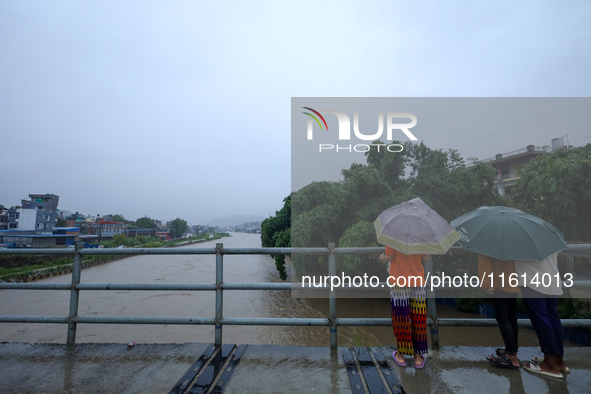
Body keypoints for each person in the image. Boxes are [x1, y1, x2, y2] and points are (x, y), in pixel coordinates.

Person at [515, 253, 568, 379]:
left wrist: (457, 236)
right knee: (553, 319)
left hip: (533, 282)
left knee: (541, 320)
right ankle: (559, 361)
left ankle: (550, 365)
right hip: (552, 279)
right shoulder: (550, 233)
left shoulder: (520, 235)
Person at [379, 247, 429, 368]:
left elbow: (389, 257)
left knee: (401, 318)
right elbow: (426, 259)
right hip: (418, 279)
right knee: (419, 318)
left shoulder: (394, 233)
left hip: (399, 279)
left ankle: (401, 356)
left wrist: (380, 258)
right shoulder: (422, 235)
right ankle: (418, 358)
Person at [478, 254, 521, 368]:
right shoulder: (511, 240)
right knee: (511, 317)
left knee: (503, 318)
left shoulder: (487, 241)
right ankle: (512, 349)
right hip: (513, 283)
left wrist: (485, 283)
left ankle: (512, 356)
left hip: (498, 285)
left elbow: (484, 264)